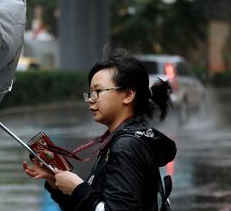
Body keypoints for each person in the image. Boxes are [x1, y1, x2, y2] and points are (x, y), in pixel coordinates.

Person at [22, 48, 177, 211]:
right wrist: (56, 182)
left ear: (128, 95)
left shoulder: (126, 147)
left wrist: (78, 188)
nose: (90, 99)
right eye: (90, 93)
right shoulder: (122, 140)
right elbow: (95, 205)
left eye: (97, 91)